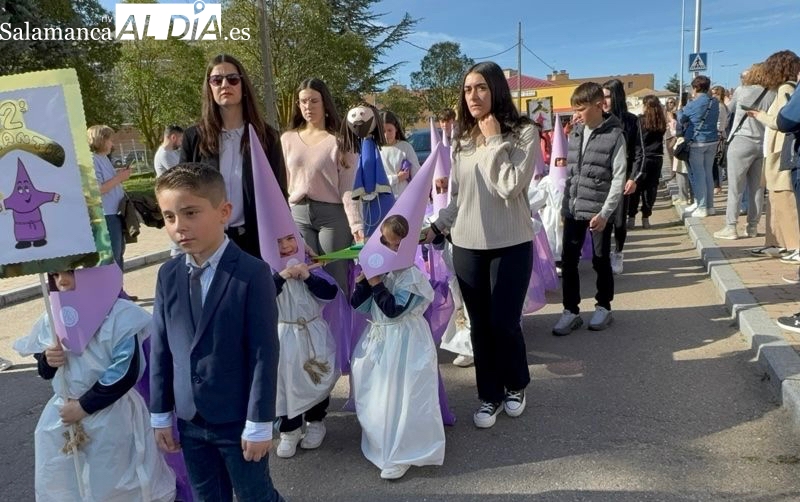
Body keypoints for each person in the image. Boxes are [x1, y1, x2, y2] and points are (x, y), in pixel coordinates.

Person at [150, 163, 284, 502]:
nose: (179, 227)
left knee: (256, 495)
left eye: (190, 212)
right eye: (169, 217)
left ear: (224, 211)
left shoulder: (252, 274)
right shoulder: (168, 275)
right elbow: (162, 349)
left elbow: (264, 353)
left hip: (237, 417)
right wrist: (161, 413)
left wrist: (259, 420)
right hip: (189, 419)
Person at [427, 61, 537, 428]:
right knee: (479, 326)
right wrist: (435, 227)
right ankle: (489, 395)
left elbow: (509, 186)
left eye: (481, 88)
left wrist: (493, 142)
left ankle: (516, 385)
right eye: (468, 89)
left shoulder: (523, 133)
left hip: (512, 243)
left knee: (504, 323)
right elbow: (457, 199)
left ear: (496, 90)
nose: (473, 96)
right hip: (468, 246)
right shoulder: (461, 139)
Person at [13, 266, 176, 501]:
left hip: (112, 415)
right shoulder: (54, 315)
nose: (63, 282)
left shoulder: (120, 316)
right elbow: (45, 368)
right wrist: (49, 359)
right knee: (70, 483)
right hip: (66, 416)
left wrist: (84, 406)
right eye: (56, 275)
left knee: (117, 482)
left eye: (70, 272)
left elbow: (125, 370)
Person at [351, 215, 445, 480]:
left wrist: (376, 283)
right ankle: (381, 440)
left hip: (406, 342)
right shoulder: (378, 268)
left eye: (397, 246)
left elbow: (394, 311)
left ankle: (403, 450)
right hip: (381, 339)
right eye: (385, 243)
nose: (390, 251)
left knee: (406, 393)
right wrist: (362, 285)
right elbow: (359, 306)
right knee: (379, 391)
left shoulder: (412, 277)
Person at [180, 54, 287, 259]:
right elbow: (183, 194)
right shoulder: (194, 138)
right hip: (209, 241)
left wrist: (291, 238)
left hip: (256, 241)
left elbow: (279, 194)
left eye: (233, 79)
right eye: (217, 80)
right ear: (209, 87)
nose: (225, 85)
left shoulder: (267, 137)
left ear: (243, 85)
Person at [552, 82, 626, 336]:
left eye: (581, 109)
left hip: (598, 211)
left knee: (600, 260)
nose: (577, 114)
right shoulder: (574, 133)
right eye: (575, 109)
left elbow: (618, 177)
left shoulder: (615, 135)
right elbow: (569, 173)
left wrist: (606, 213)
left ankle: (603, 306)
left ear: (599, 105)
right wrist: (564, 208)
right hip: (573, 208)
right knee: (569, 261)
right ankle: (570, 311)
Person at [282, 78, 363, 293]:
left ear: (325, 103)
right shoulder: (287, 139)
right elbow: (282, 185)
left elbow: (348, 188)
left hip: (332, 218)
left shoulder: (341, 141)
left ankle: (341, 326)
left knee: (335, 279)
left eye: (314, 101)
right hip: (297, 215)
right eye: (303, 101)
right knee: (303, 275)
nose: (308, 107)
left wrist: (356, 226)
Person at [272, 234, 339, 459]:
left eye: (291, 239)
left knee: (315, 378)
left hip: (312, 332)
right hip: (284, 335)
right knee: (285, 382)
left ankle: (315, 421)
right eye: (278, 242)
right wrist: (281, 278)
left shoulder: (313, 268)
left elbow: (330, 293)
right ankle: (289, 430)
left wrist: (308, 277)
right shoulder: (268, 274)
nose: (286, 246)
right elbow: (261, 297)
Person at [747, 50, 800, 264]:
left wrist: (760, 116)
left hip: (781, 150)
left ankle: (794, 244)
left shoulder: (787, 89)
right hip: (774, 150)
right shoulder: (782, 89)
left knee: (784, 198)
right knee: (775, 198)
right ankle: (776, 242)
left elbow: (782, 121)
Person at [713, 64, 775, 241]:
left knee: (735, 187)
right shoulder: (772, 93)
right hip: (762, 143)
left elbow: (727, 110)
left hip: (741, 141)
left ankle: (731, 227)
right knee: (757, 188)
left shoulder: (742, 90)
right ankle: (752, 226)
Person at [602, 79, 643, 274]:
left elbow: (638, 152)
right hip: (600, 178)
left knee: (619, 220)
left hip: (622, 178)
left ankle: (617, 252)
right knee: (601, 220)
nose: (603, 101)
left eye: (607, 97)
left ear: (616, 97)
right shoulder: (598, 119)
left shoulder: (631, 121)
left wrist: (633, 178)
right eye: (601, 97)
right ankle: (600, 256)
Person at [88, 125, 131, 273]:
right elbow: (98, 189)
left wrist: (117, 175)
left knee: (119, 252)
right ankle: (111, 292)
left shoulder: (103, 158)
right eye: (110, 140)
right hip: (106, 214)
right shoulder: (92, 160)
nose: (112, 144)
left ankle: (118, 289)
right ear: (101, 140)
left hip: (115, 212)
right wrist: (119, 178)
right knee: (111, 254)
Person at [678, 75, 720, 218]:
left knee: (699, 174)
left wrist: (679, 110)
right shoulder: (714, 102)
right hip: (712, 140)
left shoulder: (692, 104)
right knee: (708, 173)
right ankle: (710, 206)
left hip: (697, 142)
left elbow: (681, 119)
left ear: (695, 87)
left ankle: (701, 207)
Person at [628, 95, 666, 229]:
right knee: (651, 189)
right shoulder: (661, 121)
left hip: (643, 157)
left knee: (635, 189)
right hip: (657, 158)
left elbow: (635, 140)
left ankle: (631, 217)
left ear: (645, 105)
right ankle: (646, 218)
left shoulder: (640, 121)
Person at [379, 110, 421, 198]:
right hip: (383, 201)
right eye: (383, 131)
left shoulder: (405, 147)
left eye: (389, 130)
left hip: (404, 199)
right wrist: (396, 178)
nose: (386, 135)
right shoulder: (376, 150)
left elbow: (417, 175)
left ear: (396, 129)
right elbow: (375, 181)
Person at [711, 85, 730, 194]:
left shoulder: (718, 106)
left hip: (718, 134)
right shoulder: (723, 106)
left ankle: (717, 185)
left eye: (715, 94)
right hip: (722, 134)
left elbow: (718, 122)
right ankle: (718, 185)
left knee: (715, 161)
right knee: (718, 161)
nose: (713, 96)